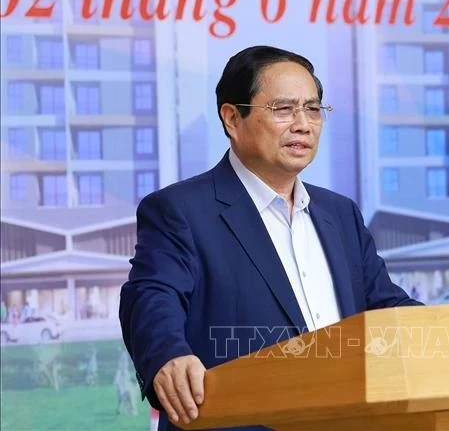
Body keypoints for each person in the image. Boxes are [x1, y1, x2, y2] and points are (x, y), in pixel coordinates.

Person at [119, 45, 423, 431]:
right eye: (284, 109)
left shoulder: (340, 213)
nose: (303, 124)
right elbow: (150, 296)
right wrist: (167, 355)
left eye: (313, 109)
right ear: (232, 118)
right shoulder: (180, 210)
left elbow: (385, 305)